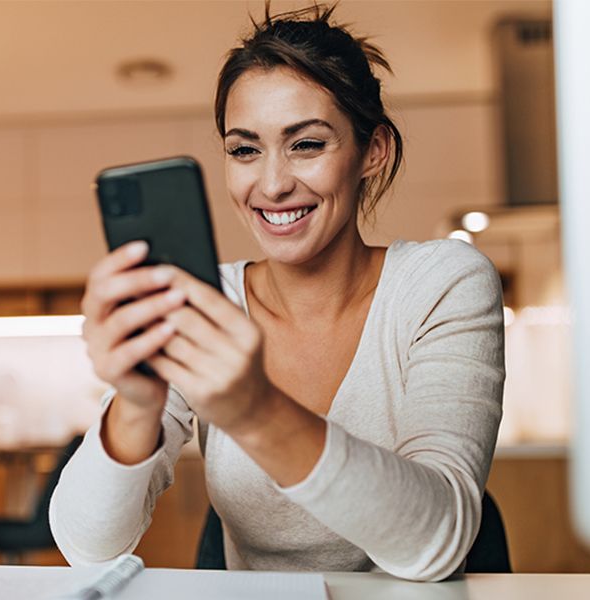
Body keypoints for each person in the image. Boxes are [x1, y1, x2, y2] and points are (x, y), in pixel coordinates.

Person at [49, 3, 504, 582]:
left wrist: (254, 409)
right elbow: (87, 549)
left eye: (307, 144)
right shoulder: (203, 299)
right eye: (245, 150)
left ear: (373, 152)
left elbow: (436, 544)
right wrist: (137, 403)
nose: (272, 184)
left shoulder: (443, 283)